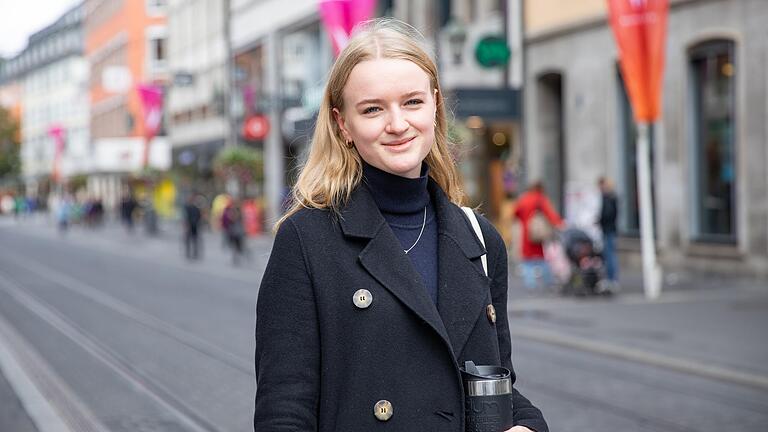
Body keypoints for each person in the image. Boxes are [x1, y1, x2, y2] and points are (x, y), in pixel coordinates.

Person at [254, 19, 547, 432]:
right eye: (372, 108)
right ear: (343, 125)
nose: (397, 124)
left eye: (412, 102)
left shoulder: (480, 241)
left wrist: (529, 425)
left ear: (435, 104)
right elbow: (284, 411)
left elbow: (496, 384)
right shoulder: (307, 239)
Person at [513, 181, 564, 291]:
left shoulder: (524, 198)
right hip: (538, 233)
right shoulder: (540, 199)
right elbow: (550, 213)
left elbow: (516, 213)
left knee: (527, 260)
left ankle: (530, 284)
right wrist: (560, 224)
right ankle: (548, 282)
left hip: (526, 233)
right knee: (542, 258)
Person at [597, 177, 619, 289]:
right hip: (608, 229)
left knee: (609, 255)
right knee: (608, 255)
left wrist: (599, 220)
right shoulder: (609, 197)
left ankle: (612, 279)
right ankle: (611, 278)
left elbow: (608, 214)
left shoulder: (608, 198)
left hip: (608, 230)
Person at [183, 194, 203, 260]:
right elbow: (186, 217)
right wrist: (186, 224)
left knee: (195, 240)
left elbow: (199, 216)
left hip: (195, 225)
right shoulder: (187, 207)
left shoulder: (196, 208)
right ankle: (188, 252)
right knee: (188, 240)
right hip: (189, 225)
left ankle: (195, 252)